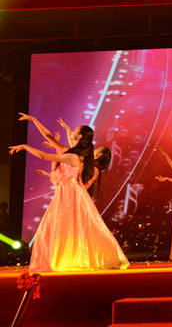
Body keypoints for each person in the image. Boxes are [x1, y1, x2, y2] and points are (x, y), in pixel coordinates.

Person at [10, 115, 129, 272]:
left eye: (74, 131)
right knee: (64, 228)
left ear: (79, 137)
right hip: (66, 194)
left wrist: (26, 146)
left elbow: (44, 156)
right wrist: (34, 120)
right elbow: (49, 137)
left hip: (71, 195)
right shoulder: (76, 155)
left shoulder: (74, 157)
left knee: (72, 228)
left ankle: (76, 259)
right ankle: (68, 259)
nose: (71, 132)